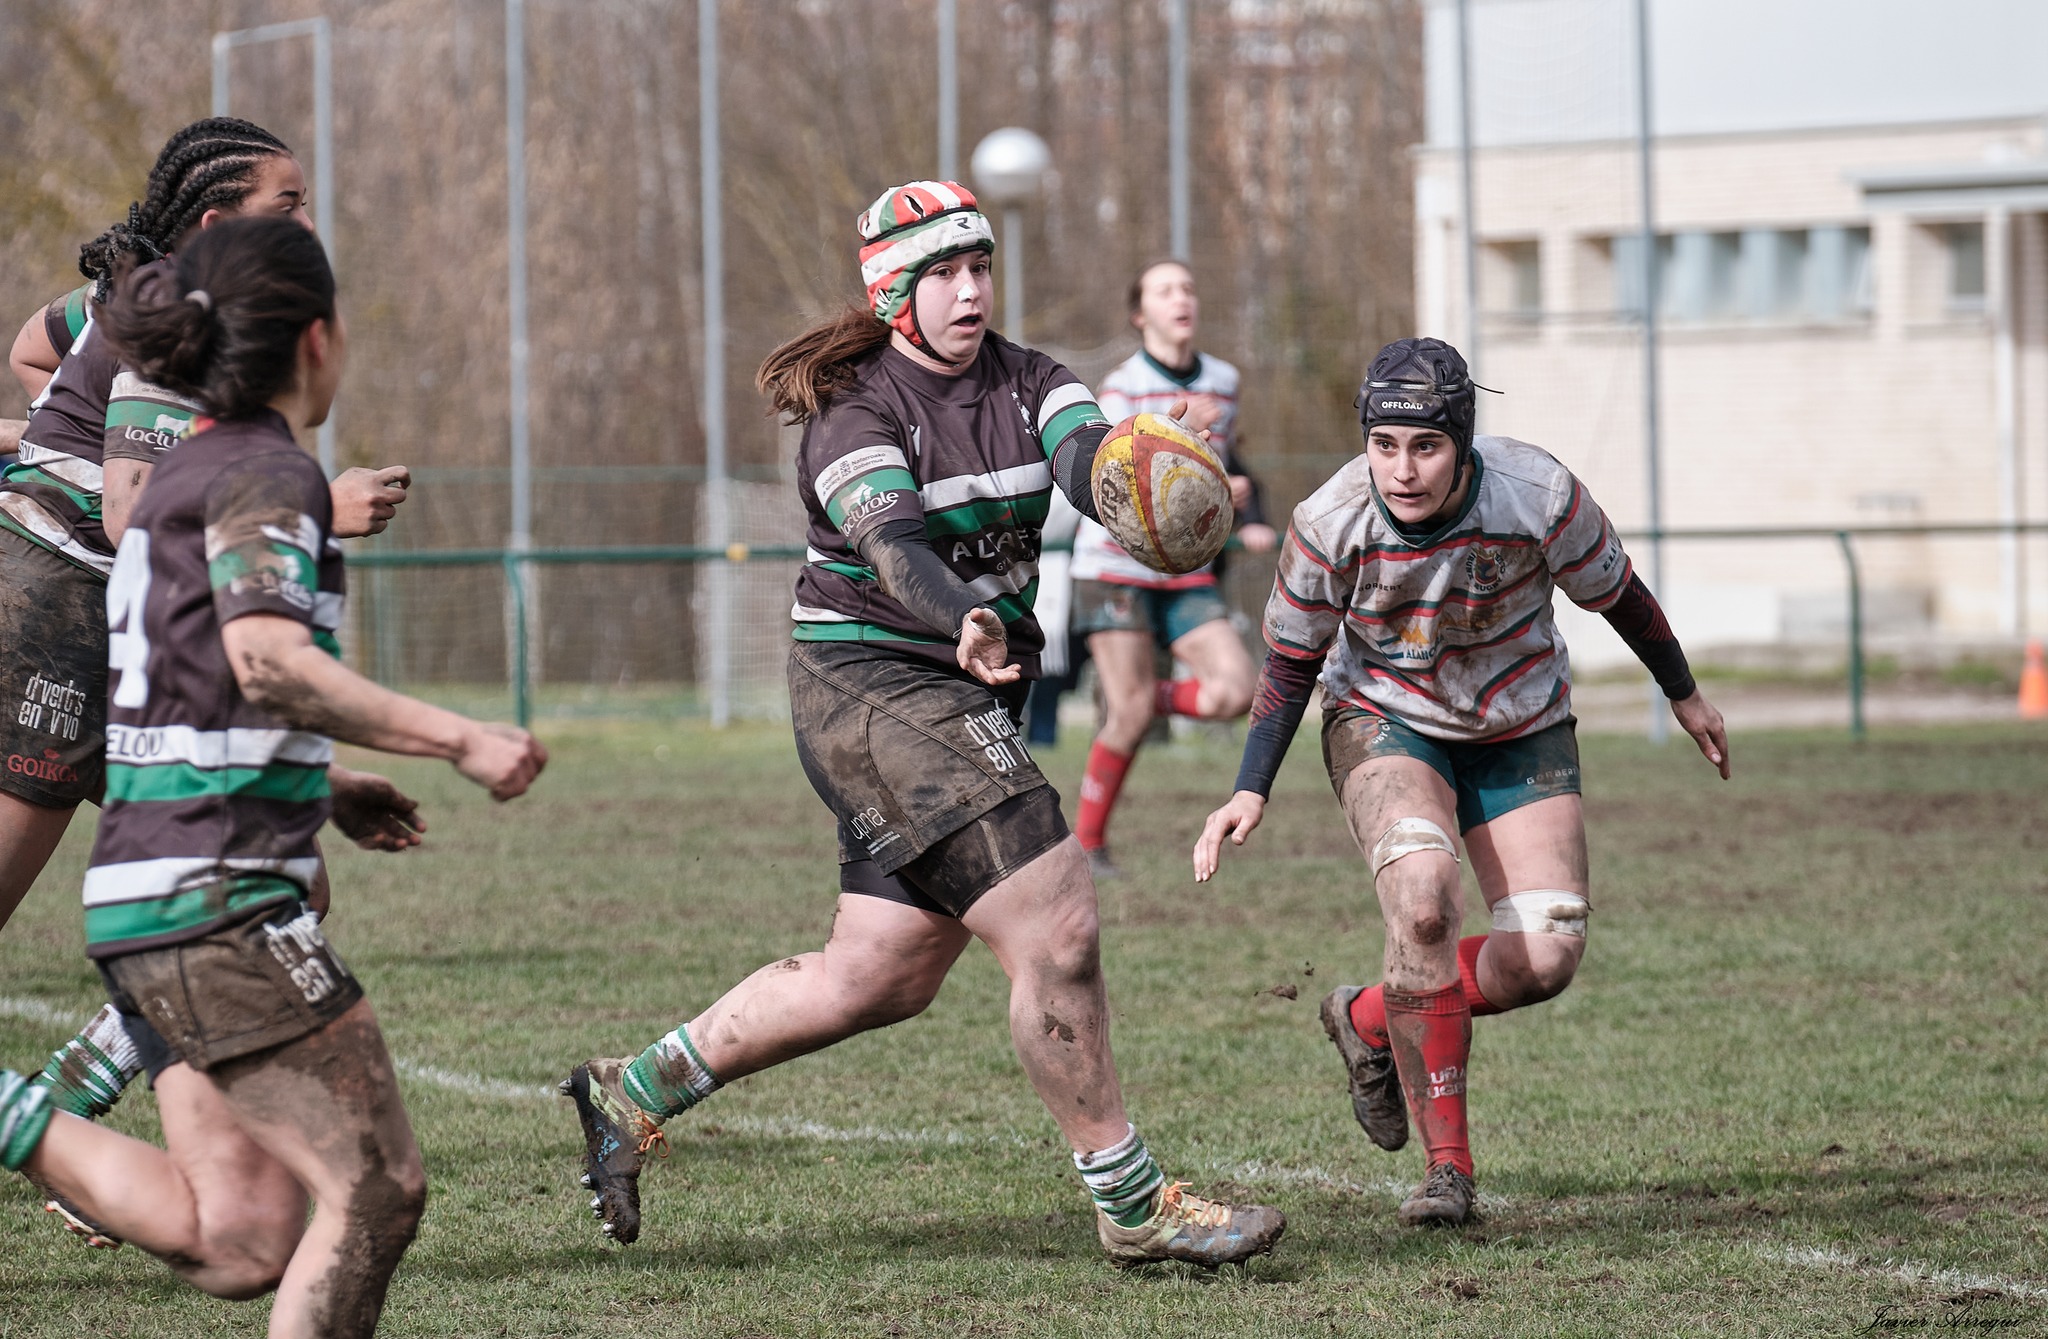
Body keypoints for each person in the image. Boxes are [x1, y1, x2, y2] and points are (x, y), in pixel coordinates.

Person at [562, 181, 1284, 1269]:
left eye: (978, 267)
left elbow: (1084, 458)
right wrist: (969, 617)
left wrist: (1142, 462)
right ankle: (1132, 1205)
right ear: (892, 294)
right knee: (1058, 923)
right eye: (941, 274)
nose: (967, 291)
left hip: (963, 686)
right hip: (871, 683)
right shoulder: (855, 414)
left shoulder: (1031, 379)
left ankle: (632, 1089)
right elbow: (894, 549)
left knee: (879, 974)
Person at [0, 216, 546, 1337]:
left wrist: (321, 783)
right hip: (217, 898)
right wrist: (458, 737)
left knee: (242, 1236)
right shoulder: (265, 471)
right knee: (375, 1187)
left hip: (158, 889)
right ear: (317, 341)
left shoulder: (180, 478)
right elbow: (262, 657)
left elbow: (195, 678)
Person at [1193, 337, 1729, 1228]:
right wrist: (1251, 785)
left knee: (1546, 956)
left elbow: (1620, 593)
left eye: (1426, 447)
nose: (1402, 470)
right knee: (1425, 901)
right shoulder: (1329, 522)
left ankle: (1367, 1015)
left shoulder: (1539, 495)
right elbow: (1289, 665)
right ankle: (1449, 1172)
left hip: (1521, 722)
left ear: (1463, 443)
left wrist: (1685, 693)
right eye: (1384, 445)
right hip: (1383, 719)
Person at [0, 120, 413, 1239]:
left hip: (101, 617)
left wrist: (42, 433)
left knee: (280, 881)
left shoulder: (147, 300)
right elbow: (140, 510)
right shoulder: (173, 307)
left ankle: (77, 1090)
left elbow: (33, 355)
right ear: (220, 223)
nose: (312, 224)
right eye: (291, 204)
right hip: (55, 608)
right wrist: (319, 505)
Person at [1069, 261, 1277, 877]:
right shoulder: (1121, 388)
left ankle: (1136, 700)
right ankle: (1086, 844)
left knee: (1237, 690)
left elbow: (1228, 459)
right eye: (1164, 290)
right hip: (1112, 566)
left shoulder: (1225, 381)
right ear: (1141, 315)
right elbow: (1107, 478)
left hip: (1185, 569)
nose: (1180, 298)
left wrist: (1242, 505)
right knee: (1129, 718)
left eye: (1187, 286)